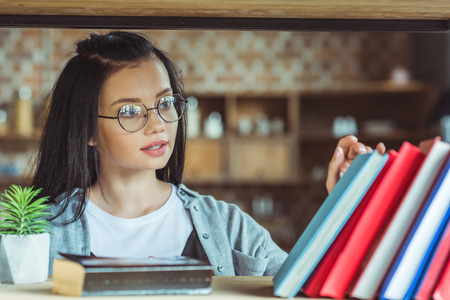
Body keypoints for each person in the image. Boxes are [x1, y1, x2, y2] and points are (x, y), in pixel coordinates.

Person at [32, 31, 383, 276]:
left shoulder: (229, 227)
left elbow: (310, 287)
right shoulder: (39, 231)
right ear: (88, 129)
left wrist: (347, 206)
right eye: (130, 111)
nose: (158, 125)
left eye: (165, 103)